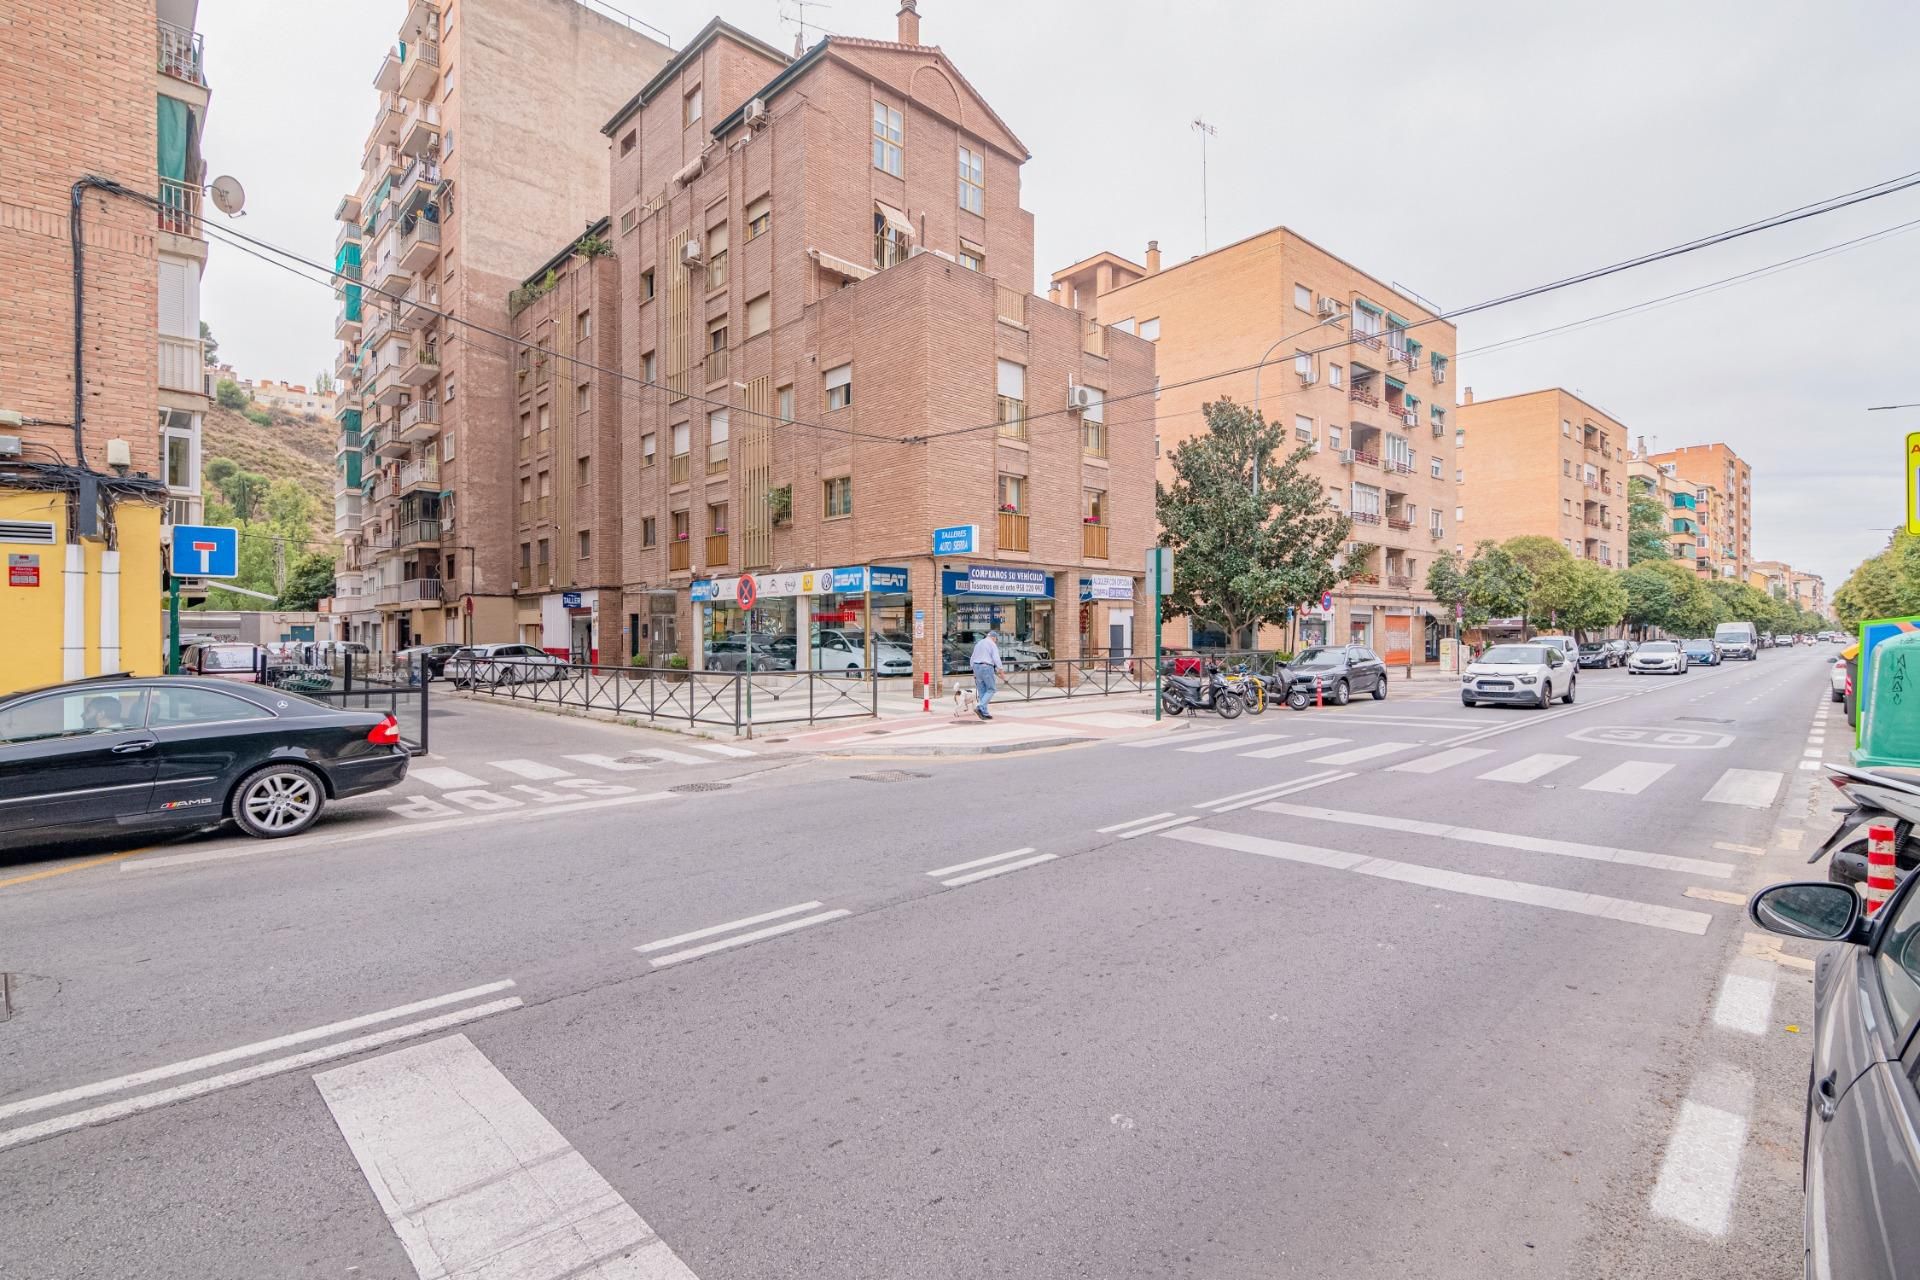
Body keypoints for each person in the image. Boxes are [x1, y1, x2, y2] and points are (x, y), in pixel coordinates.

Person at [969, 628, 1003, 720]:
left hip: (976, 667)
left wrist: (974, 671)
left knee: (982, 691)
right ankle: (980, 706)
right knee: (991, 689)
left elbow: (972, 657)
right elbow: (996, 658)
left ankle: (984, 712)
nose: (996, 641)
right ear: (994, 638)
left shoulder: (979, 643)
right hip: (986, 667)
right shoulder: (992, 644)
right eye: (996, 639)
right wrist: (1000, 670)